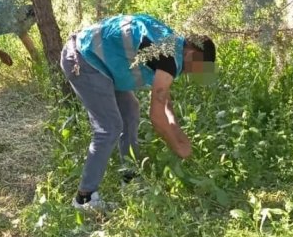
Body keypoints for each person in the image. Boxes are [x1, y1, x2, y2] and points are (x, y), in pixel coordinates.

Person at [60, 13, 216, 212]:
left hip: (100, 63)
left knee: (130, 111)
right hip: (82, 59)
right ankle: (85, 198)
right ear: (192, 54)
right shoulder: (167, 57)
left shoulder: (171, 43)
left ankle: (130, 178)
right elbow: (157, 116)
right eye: (197, 68)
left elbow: (165, 102)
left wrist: (179, 135)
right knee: (109, 127)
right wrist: (177, 147)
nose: (191, 73)